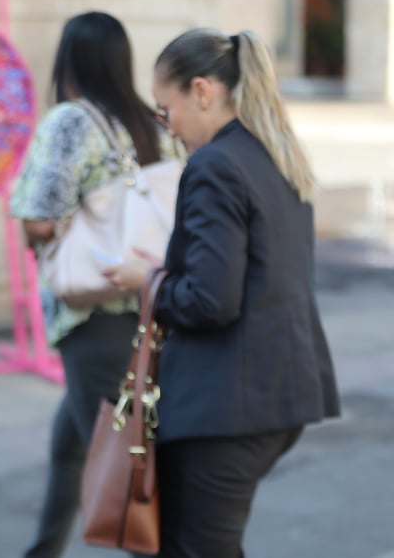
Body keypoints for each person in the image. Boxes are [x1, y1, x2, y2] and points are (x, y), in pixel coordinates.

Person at [105, 28, 340, 556]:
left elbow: (211, 301)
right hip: (274, 395)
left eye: (166, 111)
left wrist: (146, 282)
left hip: (228, 406)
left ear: (203, 91)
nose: (169, 129)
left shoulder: (214, 165)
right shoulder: (272, 153)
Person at [9, 11, 179, 558]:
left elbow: (37, 218)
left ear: (69, 60)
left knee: (119, 463)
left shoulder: (70, 122)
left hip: (92, 315)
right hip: (149, 306)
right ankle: (40, 551)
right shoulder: (152, 123)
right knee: (72, 446)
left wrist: (62, 228)